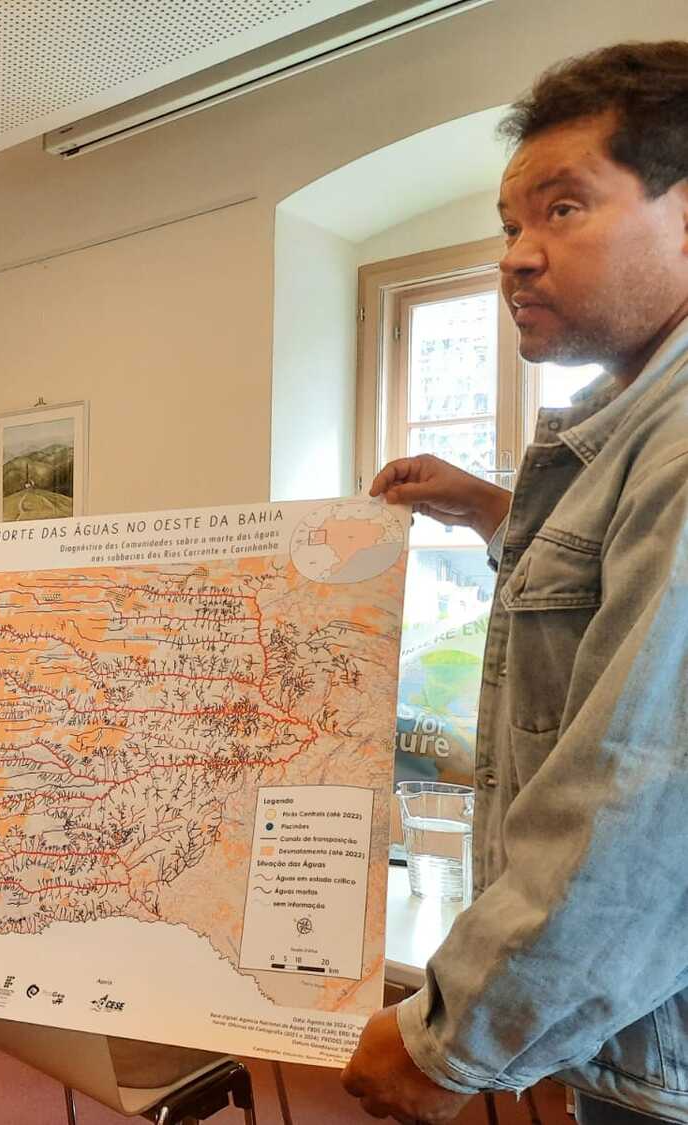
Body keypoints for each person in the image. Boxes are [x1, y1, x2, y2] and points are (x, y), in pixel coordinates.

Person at [342, 42, 688, 1125]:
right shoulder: (640, 432)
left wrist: (453, 1041)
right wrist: (495, 512)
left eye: (564, 209)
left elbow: (644, 790)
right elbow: (609, 612)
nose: (515, 258)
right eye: (507, 226)